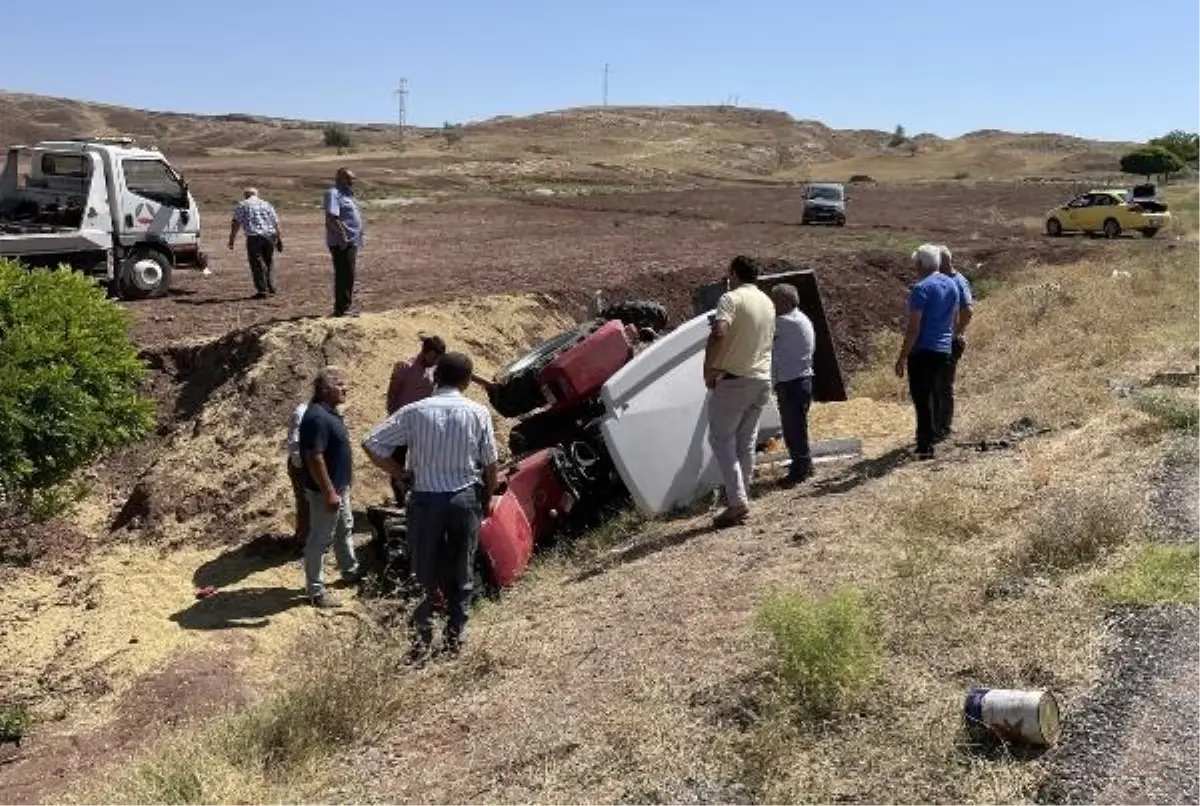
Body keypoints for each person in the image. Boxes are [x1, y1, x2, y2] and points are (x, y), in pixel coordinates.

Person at [361, 352, 499, 661]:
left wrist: (399, 474)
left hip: (424, 499)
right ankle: (455, 637)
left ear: (435, 377)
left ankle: (421, 643)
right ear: (466, 381)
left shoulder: (413, 412)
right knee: (461, 569)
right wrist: (486, 499)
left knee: (421, 572)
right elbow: (490, 465)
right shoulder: (478, 413)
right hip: (464, 498)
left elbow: (371, 443)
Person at [703, 255, 776, 528]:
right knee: (746, 443)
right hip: (762, 380)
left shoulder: (730, 299)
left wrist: (709, 367)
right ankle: (741, 497)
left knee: (722, 441)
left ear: (733, 274)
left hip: (735, 380)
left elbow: (720, 331)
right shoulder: (767, 302)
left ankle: (737, 502)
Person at [297, 366, 360, 608]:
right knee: (320, 540)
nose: (346, 388)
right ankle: (315, 592)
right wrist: (329, 492)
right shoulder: (317, 417)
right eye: (340, 384)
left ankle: (350, 571)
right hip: (327, 492)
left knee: (345, 529)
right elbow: (314, 457)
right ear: (325, 389)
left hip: (339, 489)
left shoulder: (329, 413)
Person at [894, 244, 963, 460]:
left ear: (921, 264)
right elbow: (955, 318)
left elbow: (914, 327)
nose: (914, 267)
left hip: (923, 350)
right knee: (935, 393)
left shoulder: (921, 288)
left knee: (921, 398)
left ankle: (925, 446)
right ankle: (933, 436)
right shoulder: (951, 285)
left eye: (915, 263)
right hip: (944, 348)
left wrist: (902, 357)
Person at [384, 336, 447, 505]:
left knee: (425, 460)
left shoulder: (436, 368)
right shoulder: (405, 367)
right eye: (434, 356)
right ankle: (400, 499)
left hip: (425, 425)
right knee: (398, 462)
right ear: (425, 352)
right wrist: (394, 420)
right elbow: (392, 396)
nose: (435, 361)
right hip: (403, 423)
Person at [770, 283, 816, 488]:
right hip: (798, 381)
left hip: (793, 382)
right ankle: (803, 465)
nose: (773, 306)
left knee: (793, 428)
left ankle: (801, 468)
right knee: (796, 427)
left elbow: (759, 328)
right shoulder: (799, 318)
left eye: (776, 301)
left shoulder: (786, 321)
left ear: (786, 302)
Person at [935, 245, 974, 442]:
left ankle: (943, 429)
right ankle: (936, 426)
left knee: (943, 385)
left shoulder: (958, 281)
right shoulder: (943, 280)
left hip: (950, 343)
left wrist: (955, 333)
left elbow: (967, 311)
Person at [228, 188, 283, 299]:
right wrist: (279, 239)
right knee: (269, 261)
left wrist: (231, 239)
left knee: (257, 263)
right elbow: (275, 222)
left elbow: (236, 222)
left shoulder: (243, 205)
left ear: (246, 195)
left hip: (254, 237)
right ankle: (271, 287)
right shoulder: (266, 204)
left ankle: (262, 290)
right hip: (269, 236)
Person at [323, 168, 364, 317]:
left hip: (352, 240)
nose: (352, 182)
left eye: (353, 179)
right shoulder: (333, 193)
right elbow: (331, 218)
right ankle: (342, 308)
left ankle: (346, 306)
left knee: (349, 274)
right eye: (349, 178)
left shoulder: (347, 194)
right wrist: (343, 236)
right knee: (344, 274)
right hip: (342, 242)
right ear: (340, 178)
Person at [285, 400, 310, 543]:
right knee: (306, 502)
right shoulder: (303, 412)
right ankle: (304, 538)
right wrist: (302, 467)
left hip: (312, 463)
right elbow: (294, 442)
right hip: (303, 465)